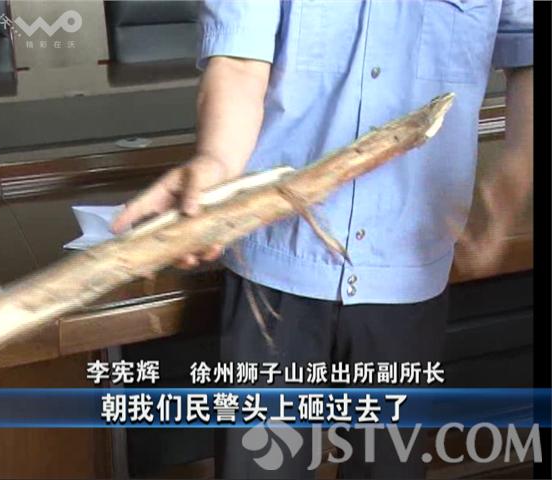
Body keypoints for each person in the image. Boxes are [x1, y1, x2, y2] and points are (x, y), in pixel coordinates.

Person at [113, 1, 533, 478]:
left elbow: (531, 47)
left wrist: (516, 174)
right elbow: (239, 60)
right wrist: (217, 164)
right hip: (273, 263)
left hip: (408, 266)